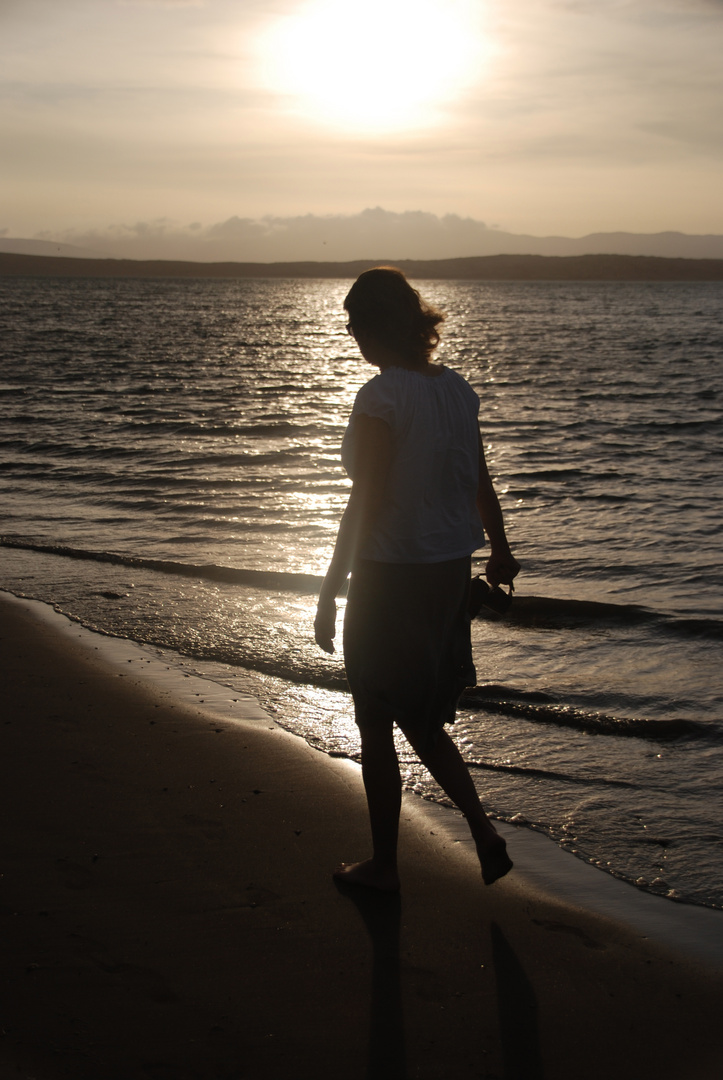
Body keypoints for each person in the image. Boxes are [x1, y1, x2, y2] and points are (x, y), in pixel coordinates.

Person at [314, 267, 520, 892]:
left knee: (378, 718)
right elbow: (480, 479)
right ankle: (479, 833)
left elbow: (365, 502)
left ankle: (391, 865)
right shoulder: (457, 391)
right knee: (420, 713)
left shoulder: (381, 397)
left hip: (391, 579)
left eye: (356, 323)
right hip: (447, 577)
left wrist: (329, 591)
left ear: (379, 326)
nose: (352, 335)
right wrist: (501, 550)